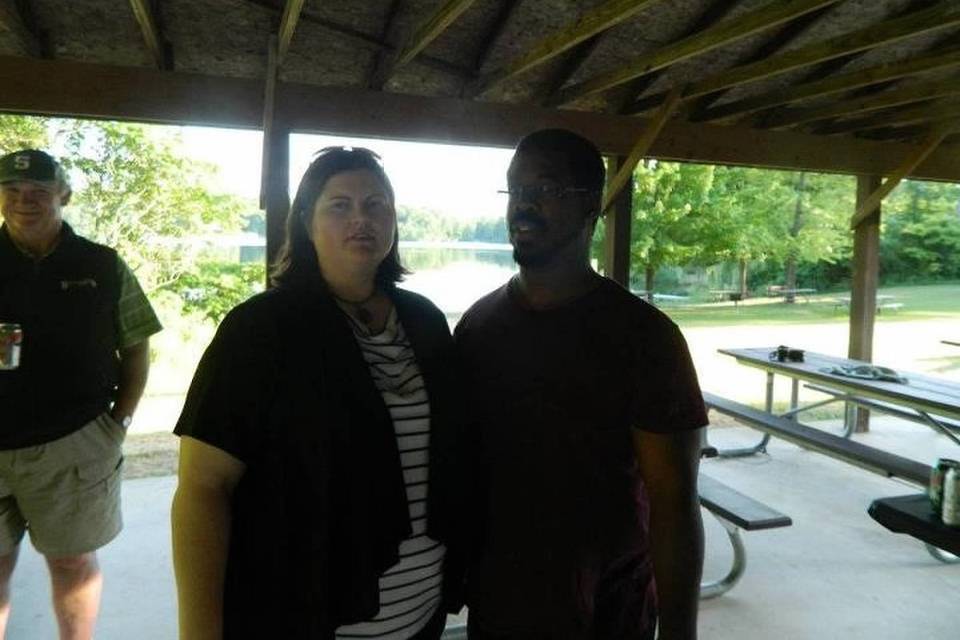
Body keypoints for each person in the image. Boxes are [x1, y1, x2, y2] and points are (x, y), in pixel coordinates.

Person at [171, 147, 465, 640]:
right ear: (306, 221)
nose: (361, 219)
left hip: (420, 619)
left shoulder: (425, 322)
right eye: (339, 205)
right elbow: (203, 489)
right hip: (301, 617)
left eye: (376, 205)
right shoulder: (261, 330)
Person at [454, 129, 707, 640]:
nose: (523, 206)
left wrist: (679, 631)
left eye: (544, 190)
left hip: (608, 608)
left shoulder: (646, 338)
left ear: (591, 206)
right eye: (515, 190)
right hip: (499, 601)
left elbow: (673, 502)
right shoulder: (478, 327)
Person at [0, 149, 161, 639]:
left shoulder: (103, 265)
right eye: (12, 191)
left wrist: (120, 423)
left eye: (39, 192)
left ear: (63, 195)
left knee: (72, 564)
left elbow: (136, 347)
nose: (25, 201)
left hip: (74, 444)